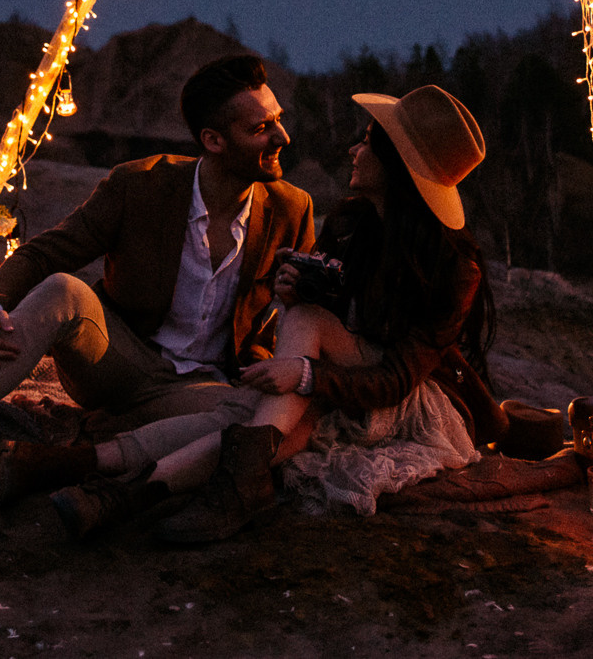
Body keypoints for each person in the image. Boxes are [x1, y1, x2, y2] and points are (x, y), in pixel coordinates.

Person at [0, 54, 314, 505]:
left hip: (202, 388)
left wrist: (292, 304)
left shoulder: (293, 209)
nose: (283, 137)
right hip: (117, 361)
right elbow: (43, 253)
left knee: (259, 415)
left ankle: (68, 463)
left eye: (279, 119)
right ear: (213, 140)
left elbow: (300, 317)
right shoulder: (140, 184)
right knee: (64, 287)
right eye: (262, 127)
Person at [38, 83, 500, 543]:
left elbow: (397, 378)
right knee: (262, 409)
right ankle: (134, 495)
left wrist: (304, 374)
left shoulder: (456, 268)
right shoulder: (352, 223)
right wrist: (296, 296)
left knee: (270, 392)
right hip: (332, 371)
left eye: (367, 141)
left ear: (396, 164)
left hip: (397, 399)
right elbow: (330, 317)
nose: (355, 150)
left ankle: (122, 491)